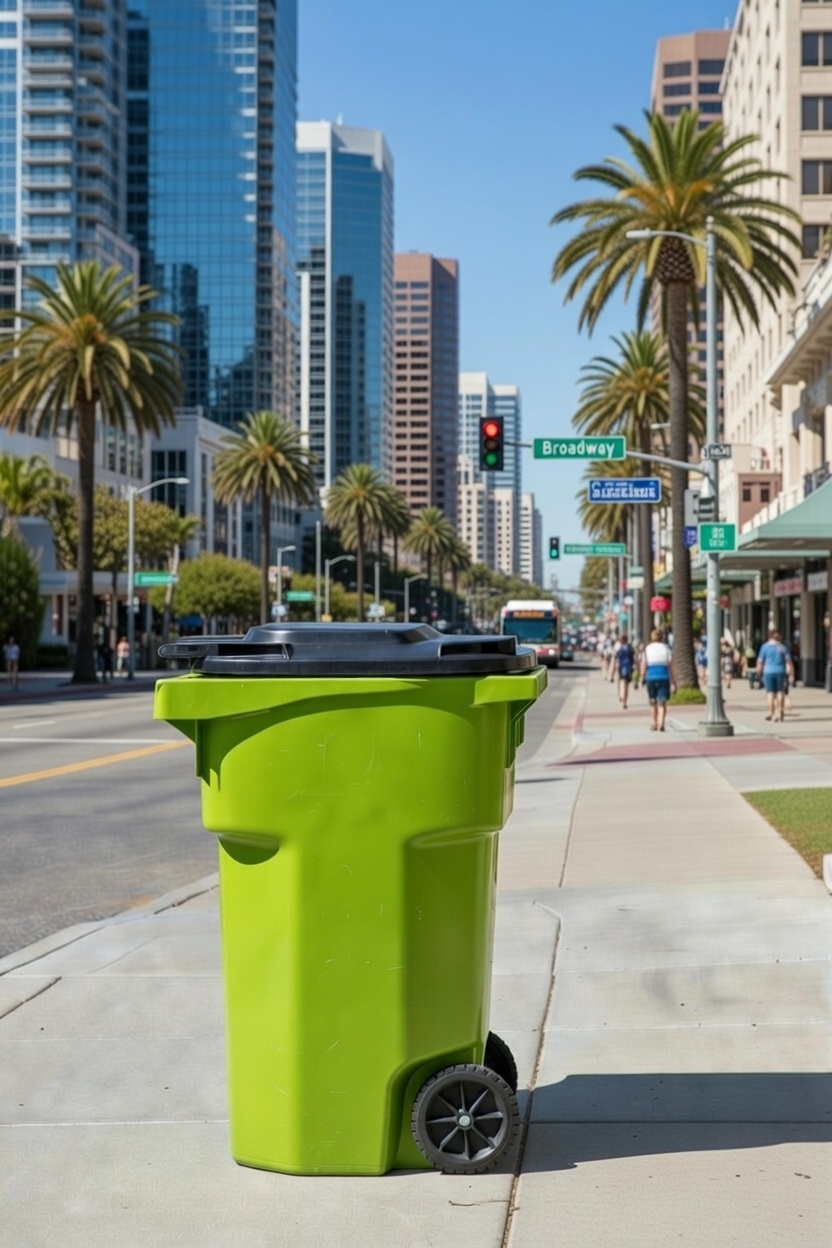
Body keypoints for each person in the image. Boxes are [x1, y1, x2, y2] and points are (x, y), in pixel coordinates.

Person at [641, 627, 676, 732]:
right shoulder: (666, 648)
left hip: (651, 677)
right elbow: (670, 666)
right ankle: (661, 723)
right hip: (663, 676)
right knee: (662, 702)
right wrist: (674, 681)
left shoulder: (647, 649)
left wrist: (642, 677)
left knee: (652, 701)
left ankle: (654, 723)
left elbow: (643, 664)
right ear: (661, 637)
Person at [756, 628, 794, 723]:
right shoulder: (782, 647)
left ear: (769, 636)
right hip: (780, 671)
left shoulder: (765, 647)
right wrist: (792, 674)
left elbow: (760, 661)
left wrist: (758, 671)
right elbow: (789, 662)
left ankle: (770, 712)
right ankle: (779, 712)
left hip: (768, 671)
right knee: (780, 692)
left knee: (770, 693)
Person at [613, 633, 635, 709]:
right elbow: (634, 659)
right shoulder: (630, 648)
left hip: (621, 668)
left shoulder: (620, 649)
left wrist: (613, 670)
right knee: (627, 686)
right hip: (629, 668)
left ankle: (621, 696)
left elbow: (616, 660)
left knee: (622, 683)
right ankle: (625, 702)